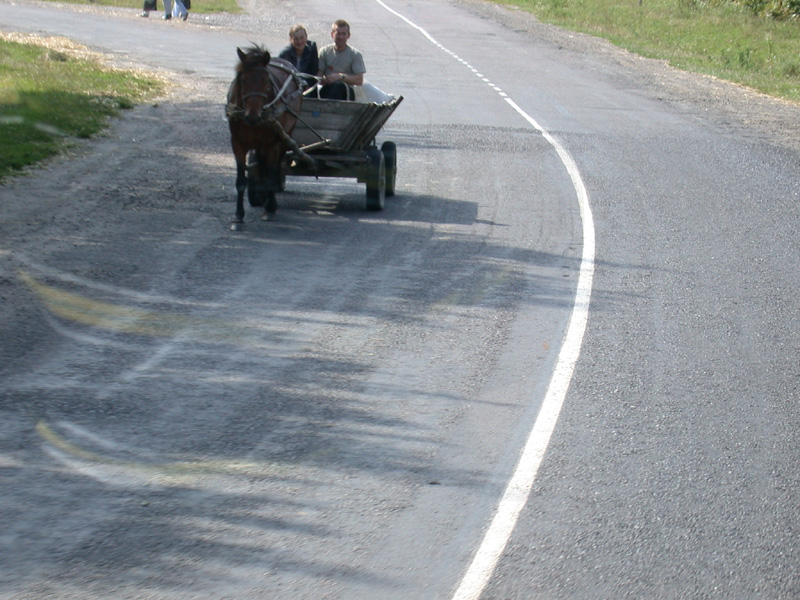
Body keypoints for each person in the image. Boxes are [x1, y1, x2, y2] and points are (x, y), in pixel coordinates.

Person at [317, 19, 365, 100]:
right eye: (338, 34)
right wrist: (324, 80)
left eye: (344, 34)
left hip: (346, 92)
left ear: (348, 36)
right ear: (332, 34)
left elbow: (359, 80)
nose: (341, 37)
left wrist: (340, 77)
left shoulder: (355, 54)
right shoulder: (324, 51)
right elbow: (319, 75)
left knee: (338, 86)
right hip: (328, 89)